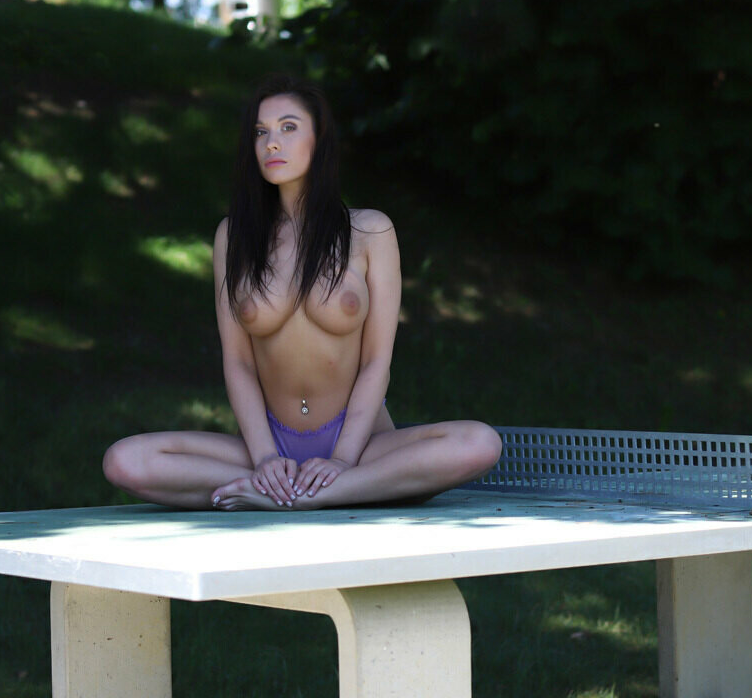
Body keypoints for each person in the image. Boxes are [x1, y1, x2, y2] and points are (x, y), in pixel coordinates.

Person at [102, 75, 501, 510]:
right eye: (261, 132)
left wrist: (343, 461)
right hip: (266, 445)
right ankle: (293, 488)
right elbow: (238, 362)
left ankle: (311, 495)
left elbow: (377, 361)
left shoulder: (370, 231)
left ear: (320, 138)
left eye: (288, 127)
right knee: (125, 461)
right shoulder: (234, 236)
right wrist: (265, 458)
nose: (271, 143)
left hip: (362, 446)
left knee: (478, 443)